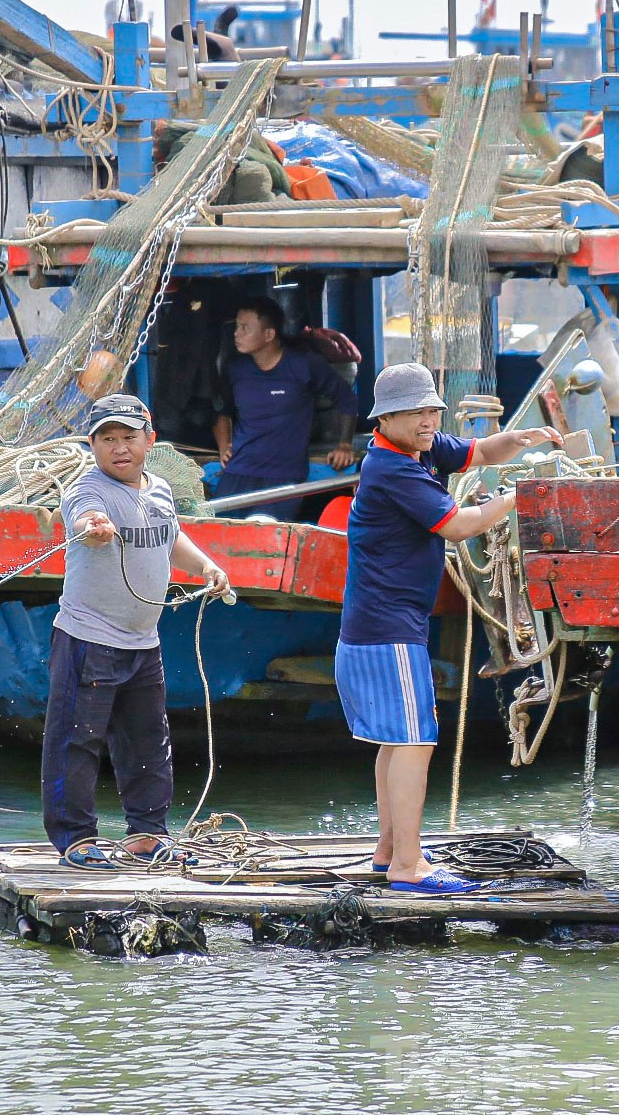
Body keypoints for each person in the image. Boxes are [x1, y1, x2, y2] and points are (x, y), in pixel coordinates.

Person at [336, 362, 561, 893]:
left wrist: (522, 439)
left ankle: (390, 850)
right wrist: (522, 496)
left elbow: (481, 453)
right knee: (415, 739)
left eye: (431, 409)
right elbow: (460, 527)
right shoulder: (393, 469)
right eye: (415, 411)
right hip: (386, 628)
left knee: (394, 740)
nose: (427, 418)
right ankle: (408, 867)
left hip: (376, 626)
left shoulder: (418, 447)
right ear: (385, 419)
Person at [44, 393, 232, 869]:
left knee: (148, 739)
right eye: (107, 439)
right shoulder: (88, 491)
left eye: (129, 437)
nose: (119, 448)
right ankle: (76, 840)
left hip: (143, 643)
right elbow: (82, 517)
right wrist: (94, 528)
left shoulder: (160, 489)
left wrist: (207, 565)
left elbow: (170, 538)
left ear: (150, 440)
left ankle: (147, 833)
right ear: (92, 445)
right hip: (89, 639)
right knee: (77, 739)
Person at [213, 296, 357, 520]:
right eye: (236, 326)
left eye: (245, 328)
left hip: (284, 476)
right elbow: (222, 412)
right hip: (238, 471)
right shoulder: (235, 367)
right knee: (216, 533)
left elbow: (347, 399)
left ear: (269, 334)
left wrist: (345, 444)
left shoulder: (304, 364)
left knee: (268, 541)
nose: (236, 333)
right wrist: (224, 446)